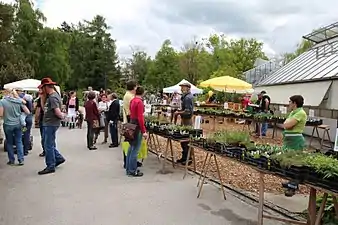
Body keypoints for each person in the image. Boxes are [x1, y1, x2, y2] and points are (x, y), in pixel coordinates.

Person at [38, 78, 66, 175]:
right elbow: (44, 108)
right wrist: (42, 97)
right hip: (49, 123)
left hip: (51, 123)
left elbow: (57, 111)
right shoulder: (51, 96)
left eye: (42, 88)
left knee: (48, 145)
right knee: (49, 144)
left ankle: (50, 165)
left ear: (46, 87)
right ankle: (58, 158)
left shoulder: (53, 97)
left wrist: (62, 116)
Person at [282, 95, 307, 197]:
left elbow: (287, 125)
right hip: (289, 141)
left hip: (296, 141)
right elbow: (285, 123)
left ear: (294, 103)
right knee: (288, 161)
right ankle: (290, 182)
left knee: (295, 164)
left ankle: (292, 187)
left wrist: (286, 123)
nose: (288, 104)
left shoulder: (301, 113)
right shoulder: (293, 112)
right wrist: (286, 123)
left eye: (290, 102)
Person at [0, 89, 30, 166]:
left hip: (8, 124)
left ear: (5, 93)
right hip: (18, 124)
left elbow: (1, 114)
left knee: (9, 142)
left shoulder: (2, 102)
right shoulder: (18, 101)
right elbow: (27, 112)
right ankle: (21, 159)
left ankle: (11, 160)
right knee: (19, 141)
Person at [126, 86, 147, 177]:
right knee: (135, 149)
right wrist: (144, 131)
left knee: (131, 148)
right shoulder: (139, 102)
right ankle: (132, 170)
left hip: (131, 123)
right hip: (137, 126)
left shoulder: (133, 100)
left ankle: (128, 168)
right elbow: (140, 118)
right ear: (142, 93)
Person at [174, 83, 194, 165]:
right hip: (184, 119)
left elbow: (188, 111)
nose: (181, 89)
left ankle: (188, 158)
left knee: (186, 139)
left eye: (183, 87)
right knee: (183, 139)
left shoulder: (188, 98)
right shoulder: (185, 97)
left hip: (187, 120)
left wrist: (178, 112)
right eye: (181, 87)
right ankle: (184, 157)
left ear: (188, 88)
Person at [17, 89, 33, 156]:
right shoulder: (29, 97)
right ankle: (26, 150)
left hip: (22, 118)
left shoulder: (19, 98)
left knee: (21, 133)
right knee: (27, 133)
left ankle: (20, 149)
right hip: (29, 118)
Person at [35, 88, 46, 157]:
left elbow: (38, 110)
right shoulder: (51, 97)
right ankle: (50, 150)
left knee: (43, 136)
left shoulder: (41, 99)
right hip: (51, 120)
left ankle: (45, 150)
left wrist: (36, 120)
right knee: (49, 137)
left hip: (43, 119)